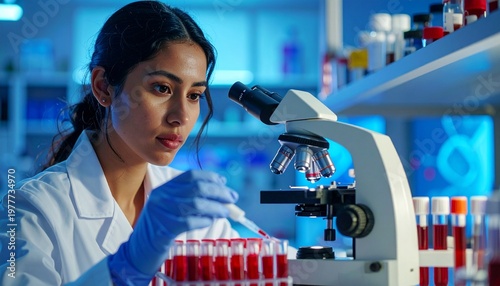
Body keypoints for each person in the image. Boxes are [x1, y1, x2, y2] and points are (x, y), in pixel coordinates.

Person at [0, 1, 240, 285]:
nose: (181, 117)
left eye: (194, 95)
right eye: (162, 88)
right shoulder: (31, 207)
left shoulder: (189, 206)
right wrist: (127, 266)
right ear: (103, 87)